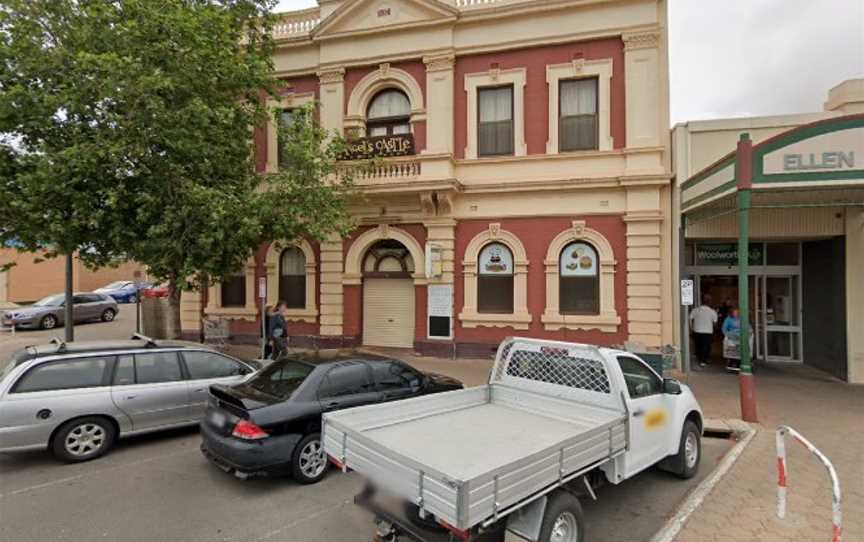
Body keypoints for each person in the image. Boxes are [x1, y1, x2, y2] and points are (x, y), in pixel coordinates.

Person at [690, 294, 718, 368]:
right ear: (710, 302)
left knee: (698, 346)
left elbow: (690, 319)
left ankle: (699, 359)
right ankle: (703, 360)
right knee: (706, 347)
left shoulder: (695, 310)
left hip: (697, 330)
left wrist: (691, 328)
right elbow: (715, 322)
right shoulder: (712, 312)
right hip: (707, 332)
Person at [722, 307, 742, 372]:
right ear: (732, 313)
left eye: (737, 312)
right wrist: (726, 335)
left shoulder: (741, 318)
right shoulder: (728, 319)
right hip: (731, 336)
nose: (736, 313)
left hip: (740, 336)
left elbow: (747, 326)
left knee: (740, 349)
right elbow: (724, 328)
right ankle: (732, 363)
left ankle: (738, 363)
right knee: (732, 349)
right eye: (735, 312)